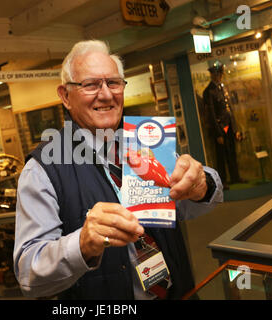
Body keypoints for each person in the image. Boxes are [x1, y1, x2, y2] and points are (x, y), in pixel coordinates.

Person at [13, 40, 223, 300]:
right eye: (90, 85)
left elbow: (185, 207)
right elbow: (28, 274)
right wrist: (81, 245)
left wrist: (203, 185)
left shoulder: (147, 139)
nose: (106, 94)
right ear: (66, 96)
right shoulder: (43, 168)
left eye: (113, 83)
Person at [202, 61, 243, 188]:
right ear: (212, 75)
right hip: (220, 127)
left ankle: (235, 177)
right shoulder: (209, 91)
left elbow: (229, 109)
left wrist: (235, 128)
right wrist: (218, 133)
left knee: (232, 152)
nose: (219, 76)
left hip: (228, 125)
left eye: (220, 73)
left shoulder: (223, 87)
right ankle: (223, 181)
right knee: (221, 155)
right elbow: (212, 114)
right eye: (216, 73)